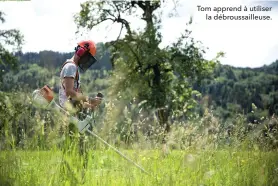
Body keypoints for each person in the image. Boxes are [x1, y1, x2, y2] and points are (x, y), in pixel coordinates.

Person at [59, 40, 102, 174]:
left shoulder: (74, 68)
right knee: (77, 148)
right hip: (70, 113)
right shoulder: (71, 67)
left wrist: (90, 105)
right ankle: (73, 176)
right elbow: (69, 92)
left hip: (75, 111)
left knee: (78, 149)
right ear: (81, 51)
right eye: (87, 57)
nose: (87, 61)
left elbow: (76, 96)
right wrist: (89, 98)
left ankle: (75, 176)